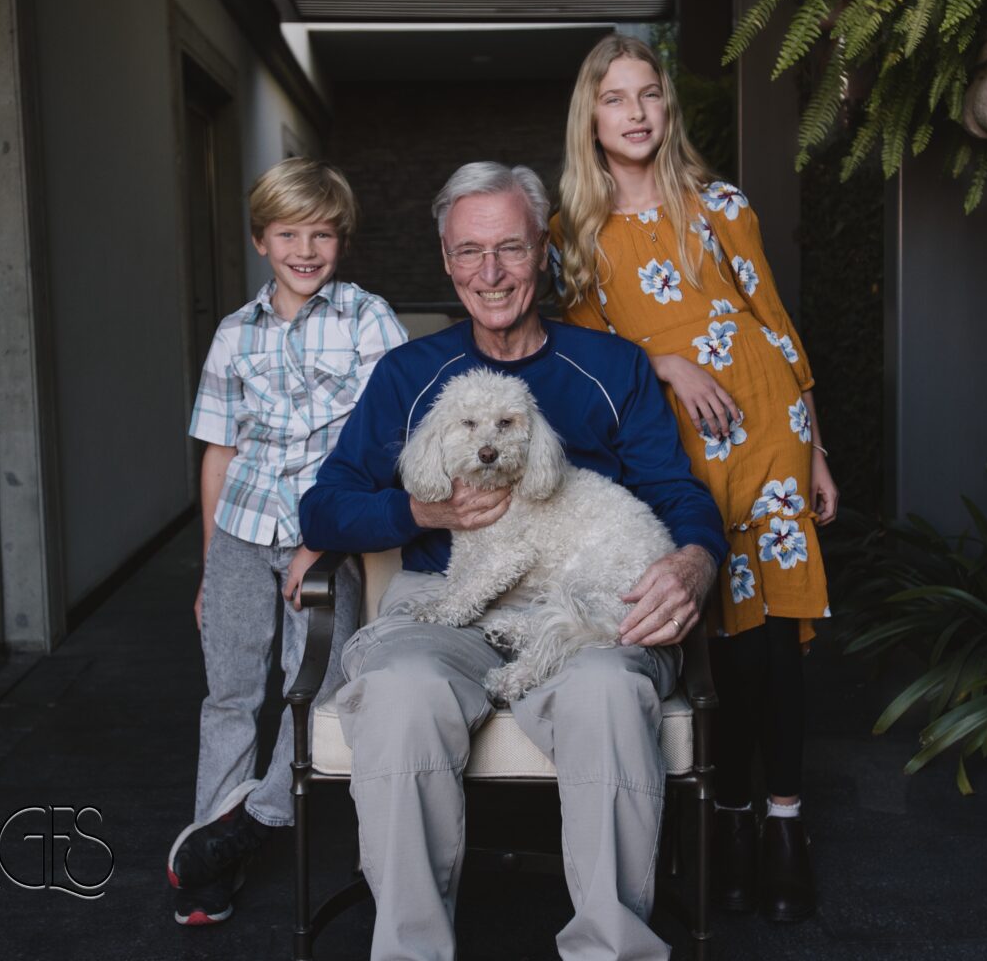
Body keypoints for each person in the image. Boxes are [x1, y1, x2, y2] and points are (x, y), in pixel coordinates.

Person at [298, 161, 727, 961]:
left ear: (544, 253)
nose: (489, 273)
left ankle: (612, 951)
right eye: (469, 252)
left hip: (576, 602)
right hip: (442, 604)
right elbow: (323, 507)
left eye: (510, 249)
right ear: (446, 261)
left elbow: (677, 493)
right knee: (396, 692)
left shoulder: (613, 367)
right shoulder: (408, 376)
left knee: (606, 691)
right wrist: (422, 509)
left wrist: (697, 562)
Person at [550, 33, 839, 922]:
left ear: (667, 109)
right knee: (710, 635)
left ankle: (785, 826)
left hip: (770, 427)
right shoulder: (574, 233)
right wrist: (665, 364)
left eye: (650, 96)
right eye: (615, 99)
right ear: (590, 119)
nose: (636, 114)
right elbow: (580, 352)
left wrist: (817, 444)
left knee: (776, 638)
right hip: (675, 444)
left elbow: (775, 321)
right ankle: (726, 817)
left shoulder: (720, 203)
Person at [166, 157, 407, 926]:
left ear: (342, 240)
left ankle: (252, 821)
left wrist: (325, 536)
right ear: (260, 241)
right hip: (240, 530)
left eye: (323, 234)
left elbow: (389, 440)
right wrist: (211, 564)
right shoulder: (235, 334)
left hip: (324, 534)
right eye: (288, 234)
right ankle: (210, 862)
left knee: (324, 688)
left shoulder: (368, 319)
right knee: (230, 694)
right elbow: (219, 453)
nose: (307, 250)